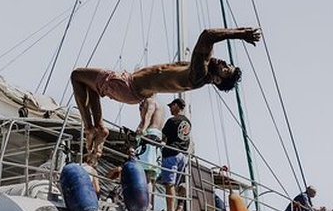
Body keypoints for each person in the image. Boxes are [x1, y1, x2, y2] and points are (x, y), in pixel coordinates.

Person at [70, 26, 262, 160]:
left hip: (128, 86)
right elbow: (209, 40)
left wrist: (241, 34)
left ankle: (90, 128)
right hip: (130, 84)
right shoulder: (205, 64)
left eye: (226, 69)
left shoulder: (198, 75)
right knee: (90, 85)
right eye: (227, 64)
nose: (224, 63)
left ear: (217, 80)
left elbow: (207, 35)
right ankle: (99, 127)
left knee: (77, 76)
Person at [157, 98, 191, 211]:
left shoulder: (172, 121)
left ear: (176, 105)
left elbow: (163, 136)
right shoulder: (188, 122)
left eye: (171, 106)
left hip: (171, 154)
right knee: (174, 184)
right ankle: (178, 207)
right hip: (183, 156)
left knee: (169, 184)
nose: (170, 109)